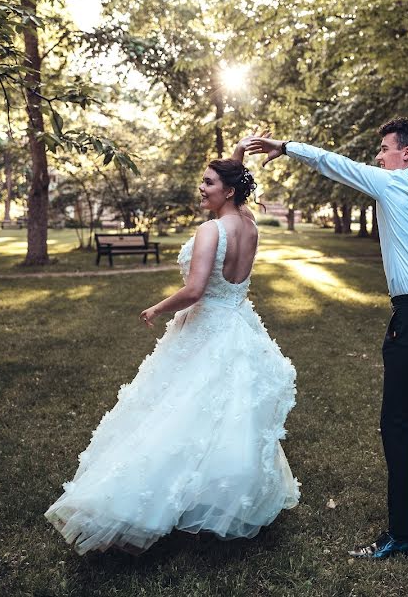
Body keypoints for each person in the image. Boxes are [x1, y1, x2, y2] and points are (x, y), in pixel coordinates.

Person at [45, 134, 300, 555]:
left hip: (205, 325)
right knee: (222, 417)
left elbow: (196, 289)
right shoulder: (249, 222)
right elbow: (236, 187)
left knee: (178, 411)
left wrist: (157, 308)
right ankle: (217, 498)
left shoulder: (210, 230)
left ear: (228, 190)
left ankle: (148, 503)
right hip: (237, 323)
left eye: (208, 183)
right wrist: (236, 152)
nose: (201, 188)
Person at [248, 118, 408, 560]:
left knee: (396, 422)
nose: (378, 157)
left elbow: (333, 164)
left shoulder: (392, 185)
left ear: (405, 154)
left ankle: (400, 536)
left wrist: (285, 145)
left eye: (385, 149)